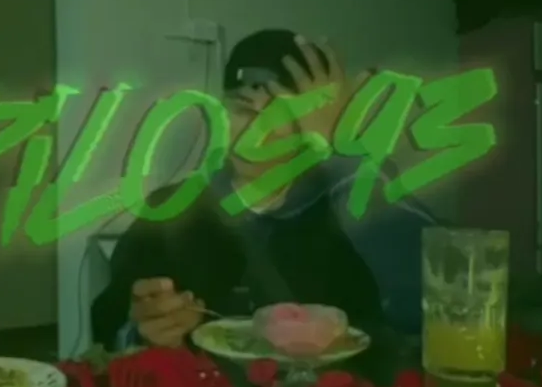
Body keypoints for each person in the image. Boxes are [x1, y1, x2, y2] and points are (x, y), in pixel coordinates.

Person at [90, 28, 437, 351]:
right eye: (243, 109)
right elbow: (109, 323)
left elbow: (435, 309)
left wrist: (343, 155)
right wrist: (143, 332)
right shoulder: (172, 210)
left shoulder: (351, 199)